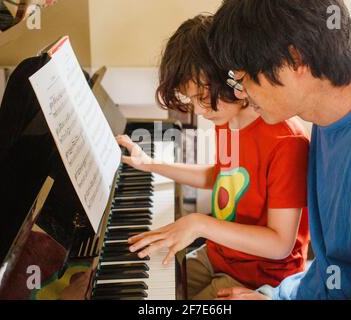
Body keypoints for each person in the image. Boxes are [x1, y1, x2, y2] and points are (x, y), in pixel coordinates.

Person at [207, 0, 351, 300]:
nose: (243, 92)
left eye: (243, 77)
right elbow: (331, 270)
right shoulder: (329, 122)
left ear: (294, 59)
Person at [116, 14, 310, 300]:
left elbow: (280, 244)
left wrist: (199, 223)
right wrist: (151, 164)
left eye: (202, 96)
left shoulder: (286, 141)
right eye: (191, 100)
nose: (201, 110)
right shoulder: (226, 119)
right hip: (218, 255)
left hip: (258, 277)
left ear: (231, 76)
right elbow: (220, 176)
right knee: (149, 279)